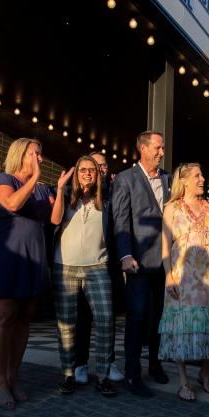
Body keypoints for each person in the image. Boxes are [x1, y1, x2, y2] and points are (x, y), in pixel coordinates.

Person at [0, 138, 54, 409]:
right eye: (36, 154)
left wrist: (64, 187)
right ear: (21, 154)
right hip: (7, 253)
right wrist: (33, 179)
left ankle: (13, 376)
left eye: (41, 155)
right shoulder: (5, 179)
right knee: (5, 317)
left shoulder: (44, 189)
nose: (40, 159)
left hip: (34, 255)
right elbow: (10, 204)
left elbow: (55, 218)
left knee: (24, 319)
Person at [50, 155, 117, 397]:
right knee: (66, 324)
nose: (87, 173)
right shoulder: (67, 196)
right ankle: (68, 374)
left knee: (106, 319)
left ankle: (103, 376)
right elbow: (55, 219)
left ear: (98, 174)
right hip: (64, 266)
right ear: (76, 173)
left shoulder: (107, 200)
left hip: (97, 266)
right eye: (82, 170)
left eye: (92, 170)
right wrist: (59, 189)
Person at [112, 131, 171, 397]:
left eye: (162, 148)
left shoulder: (169, 179)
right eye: (157, 148)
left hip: (166, 262)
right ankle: (132, 374)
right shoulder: (126, 179)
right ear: (143, 149)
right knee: (136, 317)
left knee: (159, 317)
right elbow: (121, 220)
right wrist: (125, 255)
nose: (161, 152)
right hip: (138, 261)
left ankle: (156, 364)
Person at [160, 163, 209, 402]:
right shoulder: (171, 208)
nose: (202, 178)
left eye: (201, 174)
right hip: (181, 275)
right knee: (181, 326)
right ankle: (184, 381)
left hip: (208, 277)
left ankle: (205, 373)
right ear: (184, 180)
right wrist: (168, 275)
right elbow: (165, 244)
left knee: (208, 323)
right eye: (197, 175)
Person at [71, 151, 125, 385]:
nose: (99, 169)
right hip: (81, 265)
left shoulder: (114, 193)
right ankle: (80, 363)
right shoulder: (74, 194)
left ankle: (108, 361)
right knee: (82, 317)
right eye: (95, 166)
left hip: (108, 264)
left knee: (107, 318)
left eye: (102, 166)